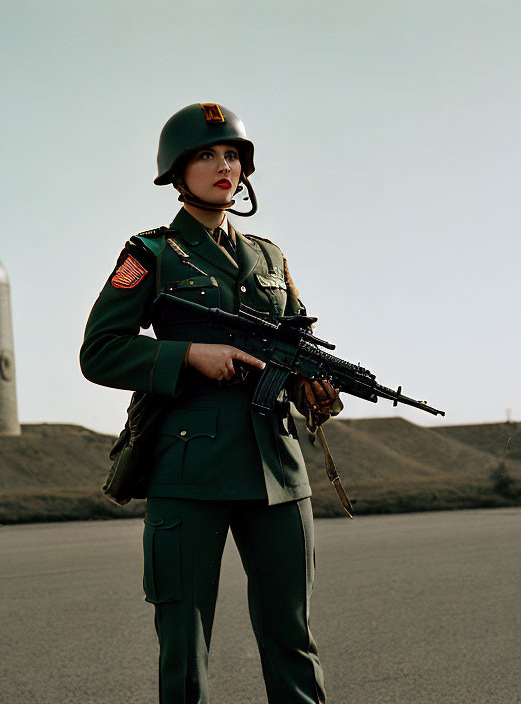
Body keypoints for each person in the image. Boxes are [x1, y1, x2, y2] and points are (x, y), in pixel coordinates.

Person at [80, 102, 340, 704]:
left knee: (292, 637)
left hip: (276, 470)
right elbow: (100, 351)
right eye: (207, 155)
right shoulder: (150, 253)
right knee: (185, 644)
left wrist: (311, 389)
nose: (224, 166)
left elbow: (289, 344)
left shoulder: (271, 257)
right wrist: (187, 355)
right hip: (188, 468)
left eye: (233, 156)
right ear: (177, 171)